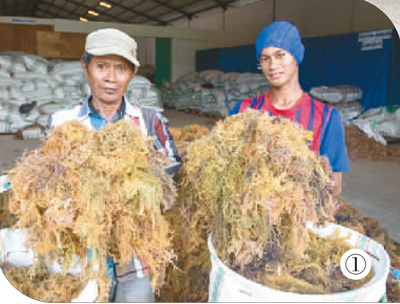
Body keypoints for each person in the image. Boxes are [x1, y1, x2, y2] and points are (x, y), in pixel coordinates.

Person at [45, 28, 181, 302]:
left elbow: (173, 171)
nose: (110, 77)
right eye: (101, 66)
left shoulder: (148, 120)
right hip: (81, 257)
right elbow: (48, 184)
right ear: (86, 68)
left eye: (120, 68)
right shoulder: (62, 122)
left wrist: (140, 182)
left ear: (132, 73)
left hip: (137, 258)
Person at [229, 21, 350, 197]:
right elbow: (226, 167)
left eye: (280, 55)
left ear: (296, 56)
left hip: (301, 218)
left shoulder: (327, 117)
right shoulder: (244, 110)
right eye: (265, 58)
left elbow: (334, 186)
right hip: (249, 215)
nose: (272, 65)